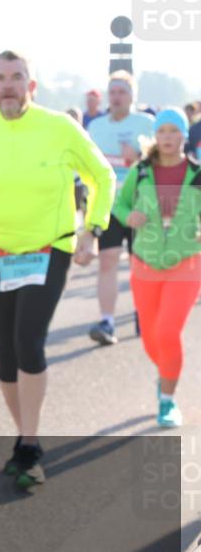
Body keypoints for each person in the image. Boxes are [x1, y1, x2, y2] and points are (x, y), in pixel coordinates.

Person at [0, 50, 115, 490]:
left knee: (28, 337)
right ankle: (27, 434)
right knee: (4, 347)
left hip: (50, 248)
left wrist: (92, 229)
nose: (8, 84)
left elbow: (103, 176)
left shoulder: (60, 128)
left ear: (32, 85)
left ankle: (28, 442)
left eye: (17, 77)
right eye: (0, 78)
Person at [111, 108, 200, 428]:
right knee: (150, 338)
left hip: (187, 261)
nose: (167, 137)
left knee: (168, 330)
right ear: (155, 136)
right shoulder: (142, 171)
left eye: (174, 131)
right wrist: (127, 216)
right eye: (162, 131)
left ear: (183, 136)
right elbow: (118, 203)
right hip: (145, 262)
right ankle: (166, 375)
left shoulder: (197, 173)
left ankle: (167, 400)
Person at [86, 71, 155, 345]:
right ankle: (107, 322)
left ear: (132, 97)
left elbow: (165, 159)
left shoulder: (146, 123)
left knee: (142, 263)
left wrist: (139, 157)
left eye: (122, 92)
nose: (116, 97)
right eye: (112, 92)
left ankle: (144, 313)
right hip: (109, 204)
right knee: (108, 260)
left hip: (141, 204)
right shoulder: (96, 127)